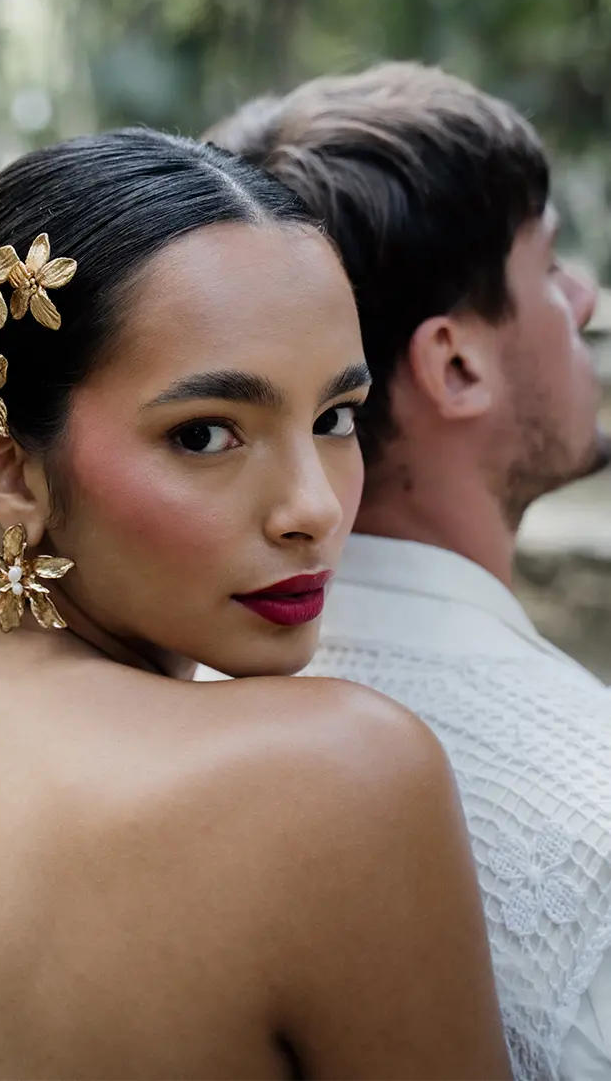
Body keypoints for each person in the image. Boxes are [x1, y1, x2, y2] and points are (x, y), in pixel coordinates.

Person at [0, 128, 510, 1081]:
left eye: (335, 419)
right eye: (205, 435)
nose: (315, 510)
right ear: (7, 470)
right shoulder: (336, 779)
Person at [204, 63, 611, 1081]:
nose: (585, 299)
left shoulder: (170, 698)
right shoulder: (592, 800)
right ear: (455, 365)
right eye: (549, 268)